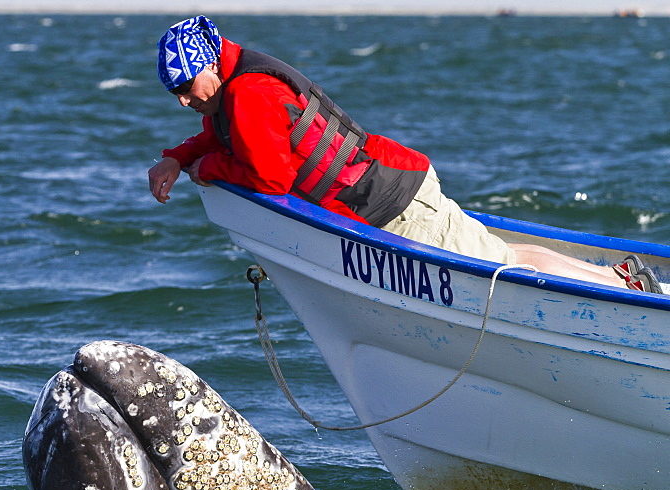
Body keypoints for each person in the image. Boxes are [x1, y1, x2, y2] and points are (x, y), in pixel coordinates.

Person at [147, 16, 663, 294]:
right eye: (176, 92)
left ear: (211, 64)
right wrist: (178, 156)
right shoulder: (235, 88)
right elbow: (224, 135)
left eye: (188, 86)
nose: (185, 100)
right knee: (505, 256)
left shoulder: (248, 93)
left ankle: (622, 283)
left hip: (391, 202)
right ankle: (620, 277)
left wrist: (204, 169)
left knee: (506, 264)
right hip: (390, 190)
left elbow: (272, 177)